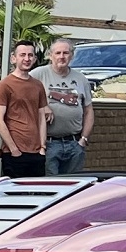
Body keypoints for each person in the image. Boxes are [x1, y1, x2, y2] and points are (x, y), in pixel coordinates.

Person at [0, 40, 50, 178]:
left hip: (36, 153)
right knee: (15, 197)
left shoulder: (38, 85)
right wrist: (13, 149)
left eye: (30, 55)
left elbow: (41, 117)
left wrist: (42, 147)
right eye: (22, 55)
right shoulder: (4, 85)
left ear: (35, 59)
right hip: (14, 154)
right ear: (13, 58)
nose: (27, 59)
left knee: (38, 196)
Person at [38, 36, 92, 175]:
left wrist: (83, 139)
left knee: (73, 187)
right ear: (50, 56)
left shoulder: (81, 79)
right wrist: (43, 106)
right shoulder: (38, 74)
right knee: (49, 185)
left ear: (72, 56)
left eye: (65, 53)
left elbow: (88, 111)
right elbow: (23, 97)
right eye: (58, 53)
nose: (61, 57)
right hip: (49, 144)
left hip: (74, 143)